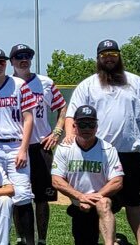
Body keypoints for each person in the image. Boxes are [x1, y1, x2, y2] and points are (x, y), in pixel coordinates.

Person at [64, 39, 140, 245]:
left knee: (135, 203)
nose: (109, 58)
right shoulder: (88, 85)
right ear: (98, 58)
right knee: (100, 201)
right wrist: (69, 136)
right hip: (100, 154)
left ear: (119, 57)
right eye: (105, 55)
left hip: (131, 152)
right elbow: (71, 115)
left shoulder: (136, 82)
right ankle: (109, 241)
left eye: (113, 54)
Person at [0, 47, 37, 245]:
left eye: (1, 62)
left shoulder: (19, 85)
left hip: (15, 146)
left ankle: (28, 241)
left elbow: (29, 119)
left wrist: (23, 149)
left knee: (22, 196)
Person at [9, 43, 67, 244]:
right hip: (17, 147)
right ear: (12, 62)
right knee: (19, 195)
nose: (23, 59)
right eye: (18, 57)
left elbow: (62, 107)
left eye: (27, 56)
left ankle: (41, 240)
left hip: (42, 146)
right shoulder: (8, 84)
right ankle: (21, 238)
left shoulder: (45, 82)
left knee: (42, 198)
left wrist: (58, 131)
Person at [53, 105, 125, 245]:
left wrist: (93, 198)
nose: (87, 129)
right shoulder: (64, 149)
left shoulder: (107, 149)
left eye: (91, 124)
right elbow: (56, 181)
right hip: (78, 203)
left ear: (96, 126)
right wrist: (81, 197)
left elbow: (117, 181)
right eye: (82, 124)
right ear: (74, 126)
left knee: (103, 204)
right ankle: (120, 242)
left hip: (104, 197)